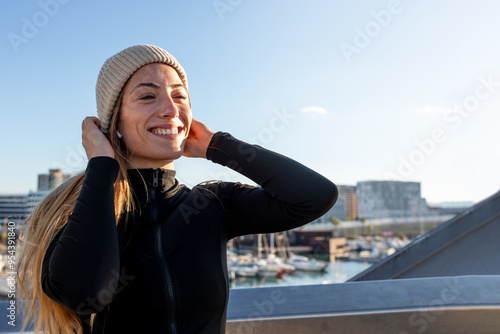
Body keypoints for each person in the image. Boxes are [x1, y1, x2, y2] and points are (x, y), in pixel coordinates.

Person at [17, 44, 338, 334]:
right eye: (147, 96)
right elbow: (84, 294)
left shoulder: (214, 204)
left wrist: (218, 145)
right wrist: (101, 165)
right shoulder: (82, 211)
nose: (171, 109)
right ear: (114, 121)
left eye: (179, 96)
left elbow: (314, 196)